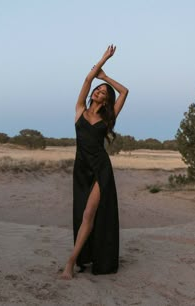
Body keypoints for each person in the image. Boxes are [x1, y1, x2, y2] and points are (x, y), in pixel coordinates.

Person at [61, 45, 129, 279]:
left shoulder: (108, 117)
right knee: (82, 215)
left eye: (103, 92)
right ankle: (83, 256)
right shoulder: (80, 110)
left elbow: (125, 92)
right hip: (81, 169)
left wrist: (106, 77)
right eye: (97, 90)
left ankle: (70, 263)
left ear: (106, 99)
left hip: (101, 169)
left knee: (89, 214)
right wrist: (102, 60)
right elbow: (87, 78)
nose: (98, 92)